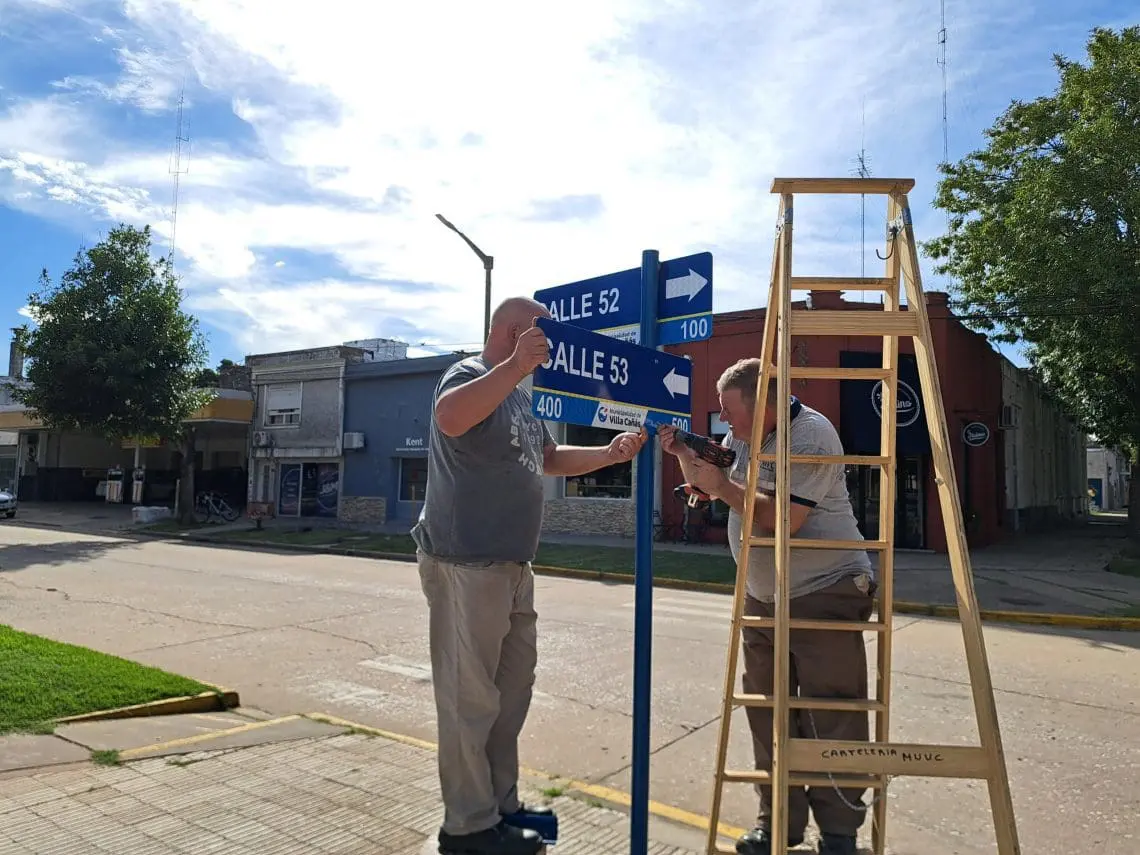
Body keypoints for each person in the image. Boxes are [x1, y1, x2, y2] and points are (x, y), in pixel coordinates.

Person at [412, 296, 647, 855]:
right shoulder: (470, 374)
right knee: (470, 699)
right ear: (518, 333)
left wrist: (608, 456)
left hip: (514, 566)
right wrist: (515, 366)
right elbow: (450, 417)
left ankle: (500, 807)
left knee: (510, 693)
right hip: (465, 561)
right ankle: (468, 828)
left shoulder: (520, 398)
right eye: (545, 335)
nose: (555, 347)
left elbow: (548, 459)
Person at [658, 357, 875, 855]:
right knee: (766, 712)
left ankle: (839, 834)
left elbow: (783, 520)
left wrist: (722, 487)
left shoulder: (811, 435)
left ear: (763, 403)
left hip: (826, 587)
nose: (723, 418)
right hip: (762, 594)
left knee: (830, 711)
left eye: (728, 408)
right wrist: (683, 456)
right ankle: (777, 822)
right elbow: (707, 487)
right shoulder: (743, 439)